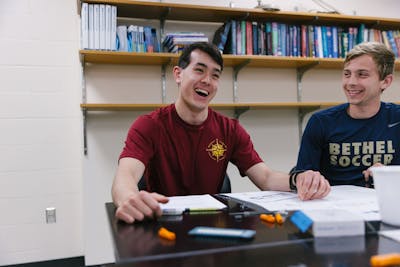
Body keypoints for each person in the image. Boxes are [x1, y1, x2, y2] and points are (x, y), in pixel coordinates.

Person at [112, 42, 330, 223]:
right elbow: (126, 176)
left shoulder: (230, 129)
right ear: (178, 74)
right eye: (199, 70)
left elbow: (266, 177)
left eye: (215, 75)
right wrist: (130, 199)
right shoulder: (149, 125)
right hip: (161, 224)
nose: (207, 80)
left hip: (212, 227)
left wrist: (299, 179)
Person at [294, 41, 399, 188]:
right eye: (347, 74)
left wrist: (390, 174)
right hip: (332, 206)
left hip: (385, 204)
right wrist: (303, 178)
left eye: (362, 75)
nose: (351, 82)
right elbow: (301, 173)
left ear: (385, 82)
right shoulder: (321, 122)